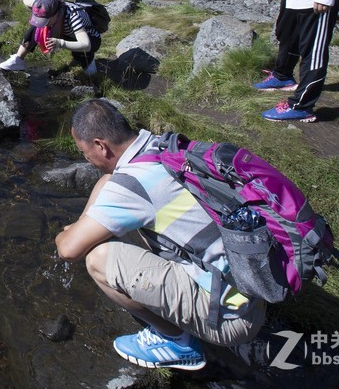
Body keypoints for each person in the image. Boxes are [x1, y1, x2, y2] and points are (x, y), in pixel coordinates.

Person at [55, 99, 266, 370]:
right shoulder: (163, 147)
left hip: (230, 319)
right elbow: (109, 181)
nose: (87, 159)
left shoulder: (132, 184)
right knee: (114, 198)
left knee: (98, 259)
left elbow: (68, 250)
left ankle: (176, 342)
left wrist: (73, 231)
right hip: (253, 281)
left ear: (101, 146)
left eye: (84, 152)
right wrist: (85, 224)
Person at [0, 0, 100, 75]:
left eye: (45, 20)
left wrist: (61, 43)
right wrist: (37, 3)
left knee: (89, 72)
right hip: (63, 30)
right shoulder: (43, 7)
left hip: (89, 39)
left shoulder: (74, 17)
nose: (43, 23)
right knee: (36, 27)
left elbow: (86, 45)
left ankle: (88, 60)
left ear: (55, 14)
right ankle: (18, 60)